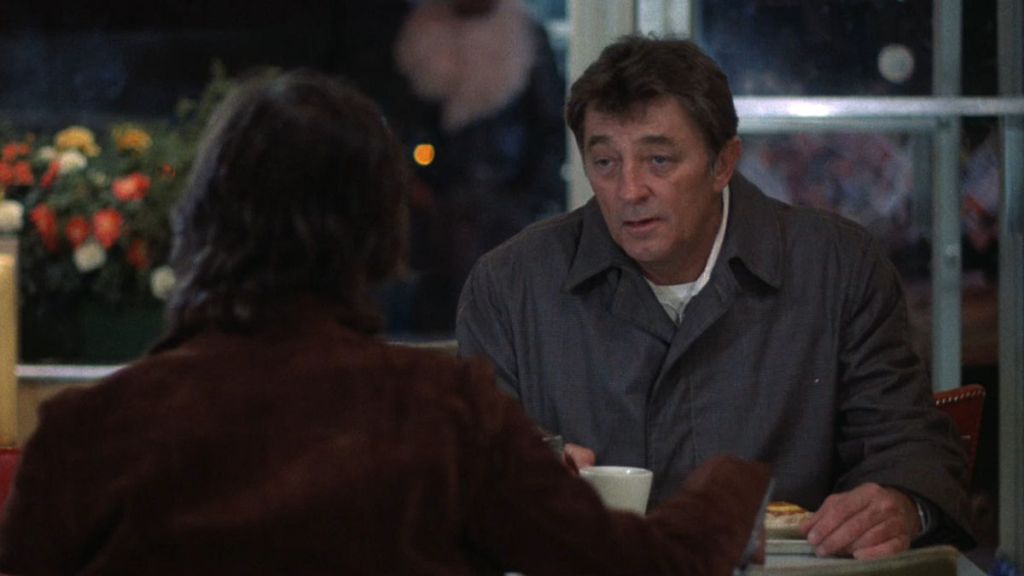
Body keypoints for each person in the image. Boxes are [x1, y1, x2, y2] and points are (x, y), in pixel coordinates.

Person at [0, 69, 773, 575]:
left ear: (198, 221)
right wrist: (733, 486)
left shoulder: (84, 435)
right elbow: (642, 567)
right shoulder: (444, 416)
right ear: (378, 231)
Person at [456, 35, 975, 559]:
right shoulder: (510, 287)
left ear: (723, 164)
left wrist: (901, 503)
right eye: (606, 162)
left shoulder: (838, 268)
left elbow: (906, 441)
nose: (629, 190)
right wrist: (525, 481)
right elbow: (470, 478)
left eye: (659, 160)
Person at [391, 0, 566, 332]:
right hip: (438, 212)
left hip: (510, 207)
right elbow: (408, 126)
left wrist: (526, 198)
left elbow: (550, 130)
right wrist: (417, 183)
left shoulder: (524, 37)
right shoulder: (419, 36)